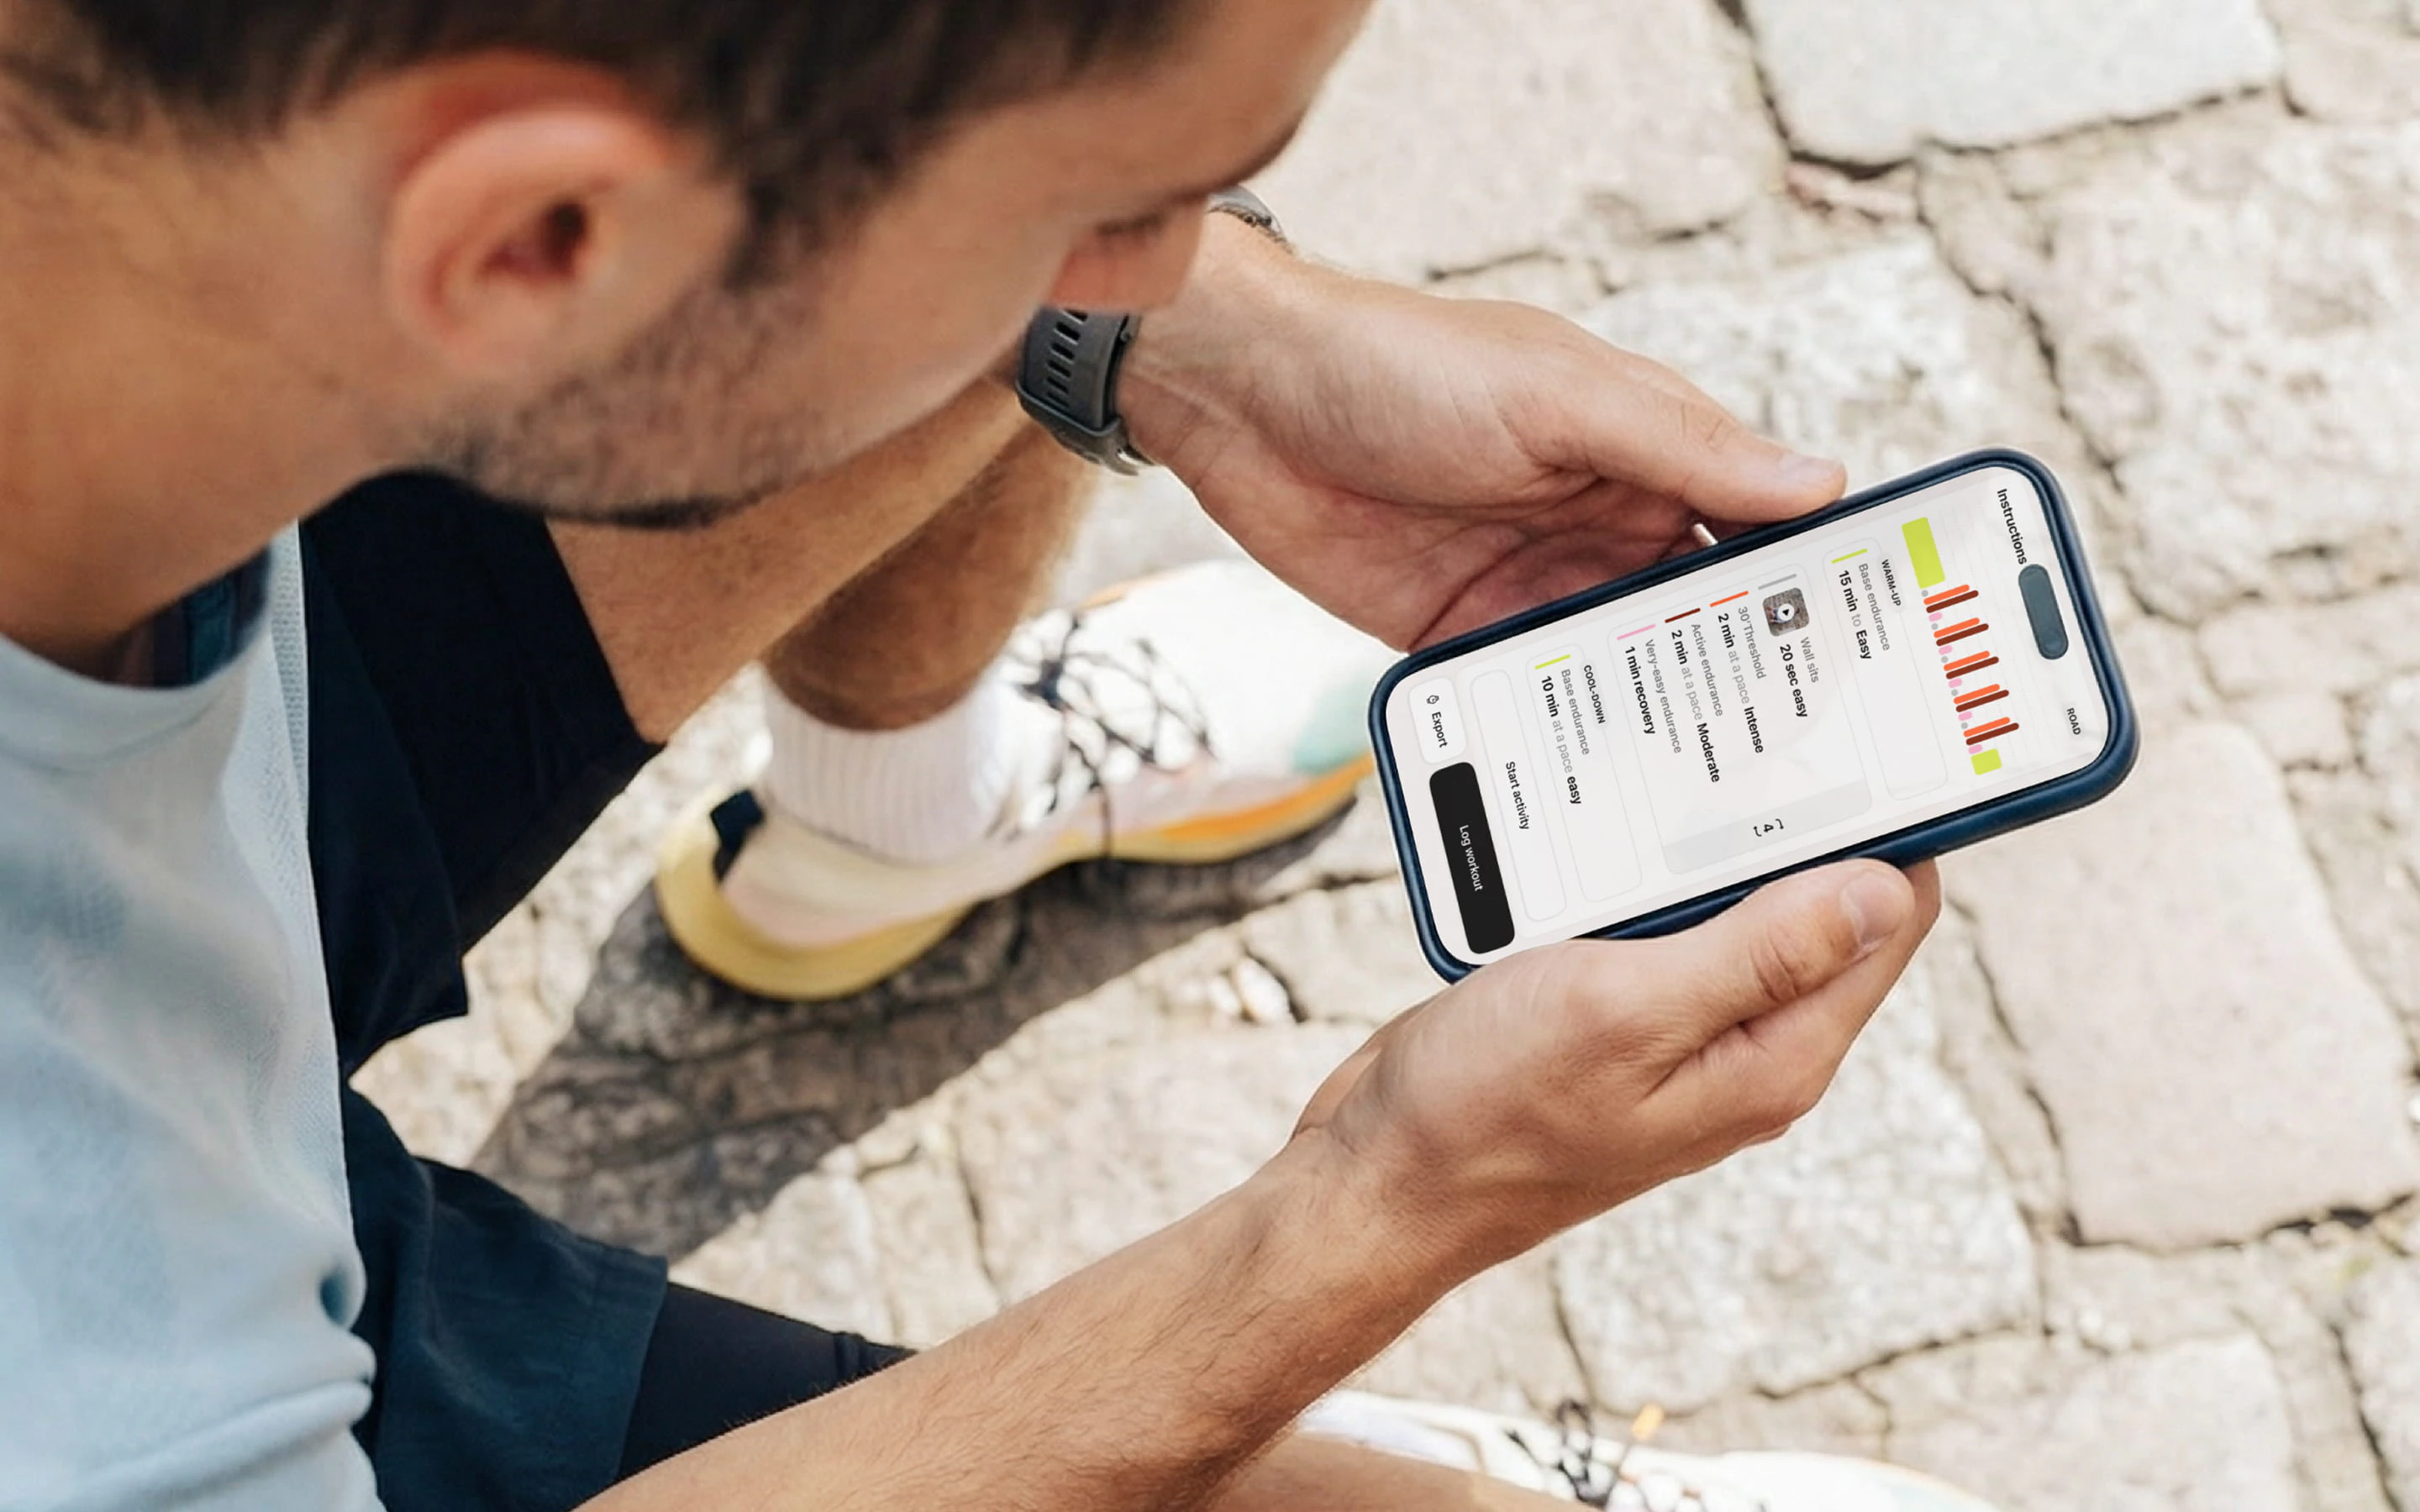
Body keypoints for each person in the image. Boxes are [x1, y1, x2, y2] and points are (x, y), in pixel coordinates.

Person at [0, 0, 1986, 1508]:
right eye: (1119, 202)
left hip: (183, 719)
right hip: (192, 1332)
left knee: (939, 314)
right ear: (534, 241)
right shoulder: (92, 1370)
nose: (1162, 253)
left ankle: (875, 836)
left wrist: (1208, 339)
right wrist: (1374, 1210)